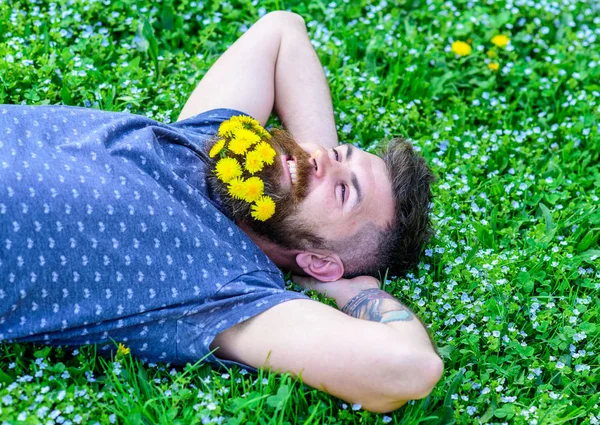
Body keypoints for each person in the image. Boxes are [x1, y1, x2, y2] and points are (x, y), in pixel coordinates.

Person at [0, 12, 441, 412]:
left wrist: (348, 292)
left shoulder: (234, 296)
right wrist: (309, 167)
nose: (323, 158)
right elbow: (282, 31)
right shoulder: (216, 142)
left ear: (319, 261)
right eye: (338, 152)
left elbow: (411, 367)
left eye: (344, 191)